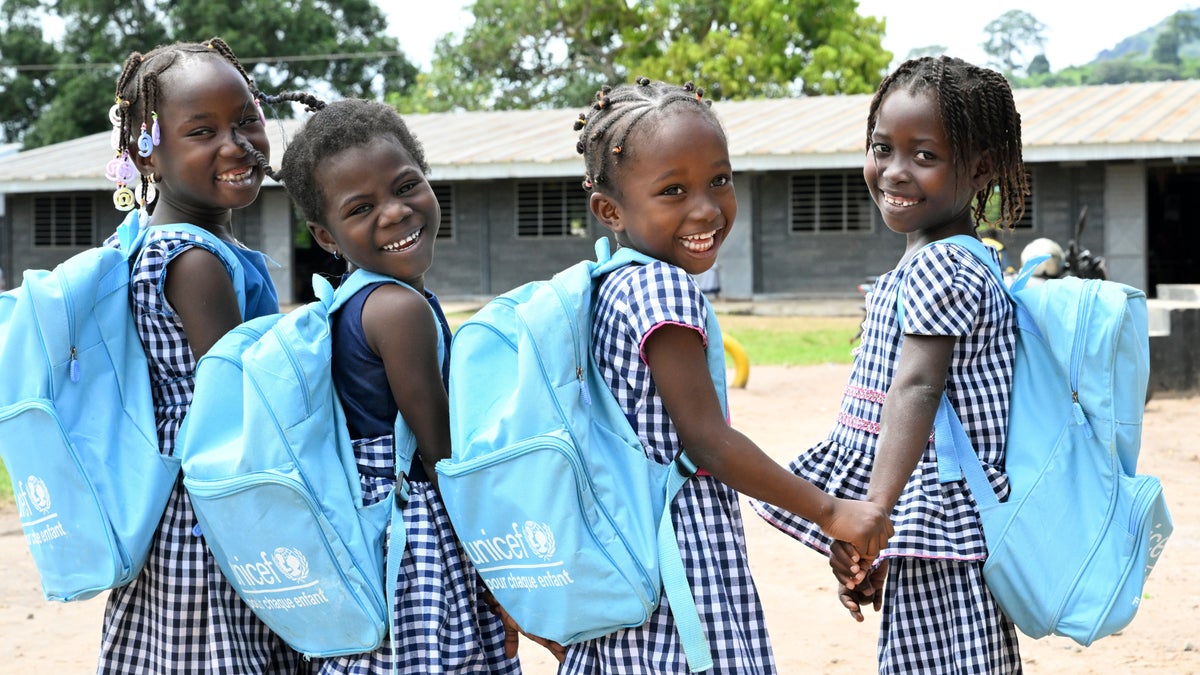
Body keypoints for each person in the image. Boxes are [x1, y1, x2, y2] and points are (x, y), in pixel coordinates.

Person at [564, 77, 894, 674]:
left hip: (625, 549)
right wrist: (829, 512)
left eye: (719, 179)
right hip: (678, 564)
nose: (707, 208)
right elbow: (709, 441)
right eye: (672, 190)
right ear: (609, 209)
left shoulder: (607, 282)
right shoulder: (662, 288)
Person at [752, 55, 1029, 673]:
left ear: (980, 167)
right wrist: (875, 537)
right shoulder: (953, 259)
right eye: (883, 148)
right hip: (927, 523)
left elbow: (918, 386)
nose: (895, 172)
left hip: (941, 522)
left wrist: (874, 513)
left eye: (924, 156)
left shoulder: (942, 266)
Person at [275, 98, 528, 674]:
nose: (394, 213)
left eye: (406, 186)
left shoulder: (353, 302)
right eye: (361, 207)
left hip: (371, 537)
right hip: (417, 543)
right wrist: (501, 576)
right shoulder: (395, 310)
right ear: (326, 235)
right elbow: (443, 458)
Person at [96, 37, 319, 673]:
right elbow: (240, 404)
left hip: (178, 508)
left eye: (247, 118)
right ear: (149, 149)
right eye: (202, 130)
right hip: (212, 518)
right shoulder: (192, 262)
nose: (238, 142)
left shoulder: (155, 237)